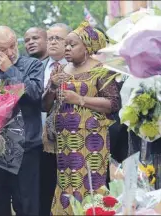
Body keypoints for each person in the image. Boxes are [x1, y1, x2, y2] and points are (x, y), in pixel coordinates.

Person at [42, 21, 121, 215]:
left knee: (91, 184)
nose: (67, 48)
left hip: (93, 140)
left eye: (72, 44)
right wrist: (52, 85)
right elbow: (45, 105)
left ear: (87, 47)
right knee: (67, 184)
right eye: (66, 44)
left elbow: (113, 103)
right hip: (67, 141)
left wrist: (79, 99)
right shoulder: (60, 71)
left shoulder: (101, 70)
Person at [0, 26, 44, 216]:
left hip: (26, 147)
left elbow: (34, 94)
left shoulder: (33, 65)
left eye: (12, 45)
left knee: (27, 204)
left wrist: (10, 70)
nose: (9, 52)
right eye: (2, 49)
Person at [38, 23, 71, 216]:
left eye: (57, 38)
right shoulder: (39, 67)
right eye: (49, 38)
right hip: (44, 142)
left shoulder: (78, 66)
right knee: (47, 191)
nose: (52, 42)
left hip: (74, 138)